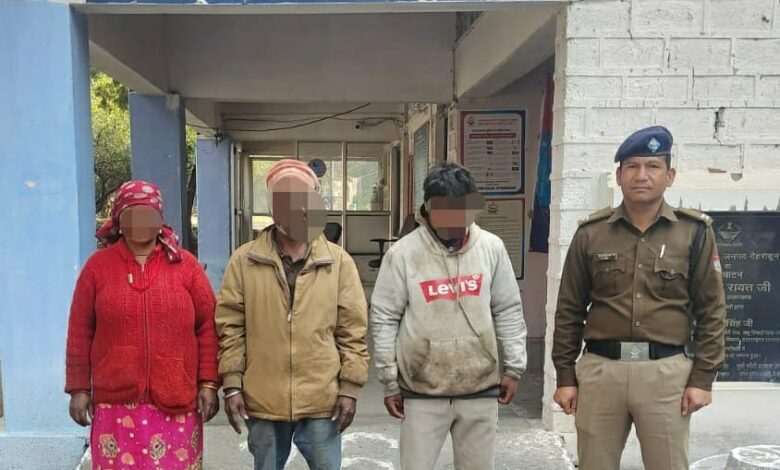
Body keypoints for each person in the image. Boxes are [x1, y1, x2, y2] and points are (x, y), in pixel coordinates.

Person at [552, 126, 726, 470]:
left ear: (670, 176)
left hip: (666, 374)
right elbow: (569, 309)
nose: (641, 175)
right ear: (619, 176)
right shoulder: (591, 233)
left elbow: (712, 310)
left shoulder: (693, 232)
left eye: (652, 166)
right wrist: (565, 376)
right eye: (632, 166)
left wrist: (703, 378)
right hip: (602, 372)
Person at [371, 162, 527, 470]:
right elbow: (384, 318)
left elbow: (508, 309)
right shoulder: (403, 254)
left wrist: (514, 367)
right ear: (428, 209)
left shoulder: (492, 248)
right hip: (422, 392)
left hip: (480, 390)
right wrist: (389, 381)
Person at [216, 159, 369, 470]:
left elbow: (352, 331)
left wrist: (350, 388)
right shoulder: (245, 260)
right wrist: (232, 384)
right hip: (263, 396)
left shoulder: (338, 262)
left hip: (322, 398)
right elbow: (231, 327)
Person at [65, 180, 220, 469]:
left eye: (148, 214)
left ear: (160, 221)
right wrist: (78, 388)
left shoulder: (186, 266)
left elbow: (208, 329)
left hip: (177, 401)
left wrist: (209, 383)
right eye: (132, 214)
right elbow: (79, 332)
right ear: (119, 221)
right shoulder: (97, 267)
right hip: (115, 405)